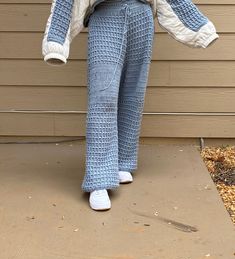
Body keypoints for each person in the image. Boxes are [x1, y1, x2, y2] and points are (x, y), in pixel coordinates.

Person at [42, 0, 219, 211]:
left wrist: (200, 29)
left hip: (142, 16)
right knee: (103, 94)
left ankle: (123, 161)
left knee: (134, 92)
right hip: (105, 14)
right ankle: (99, 179)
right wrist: (56, 41)